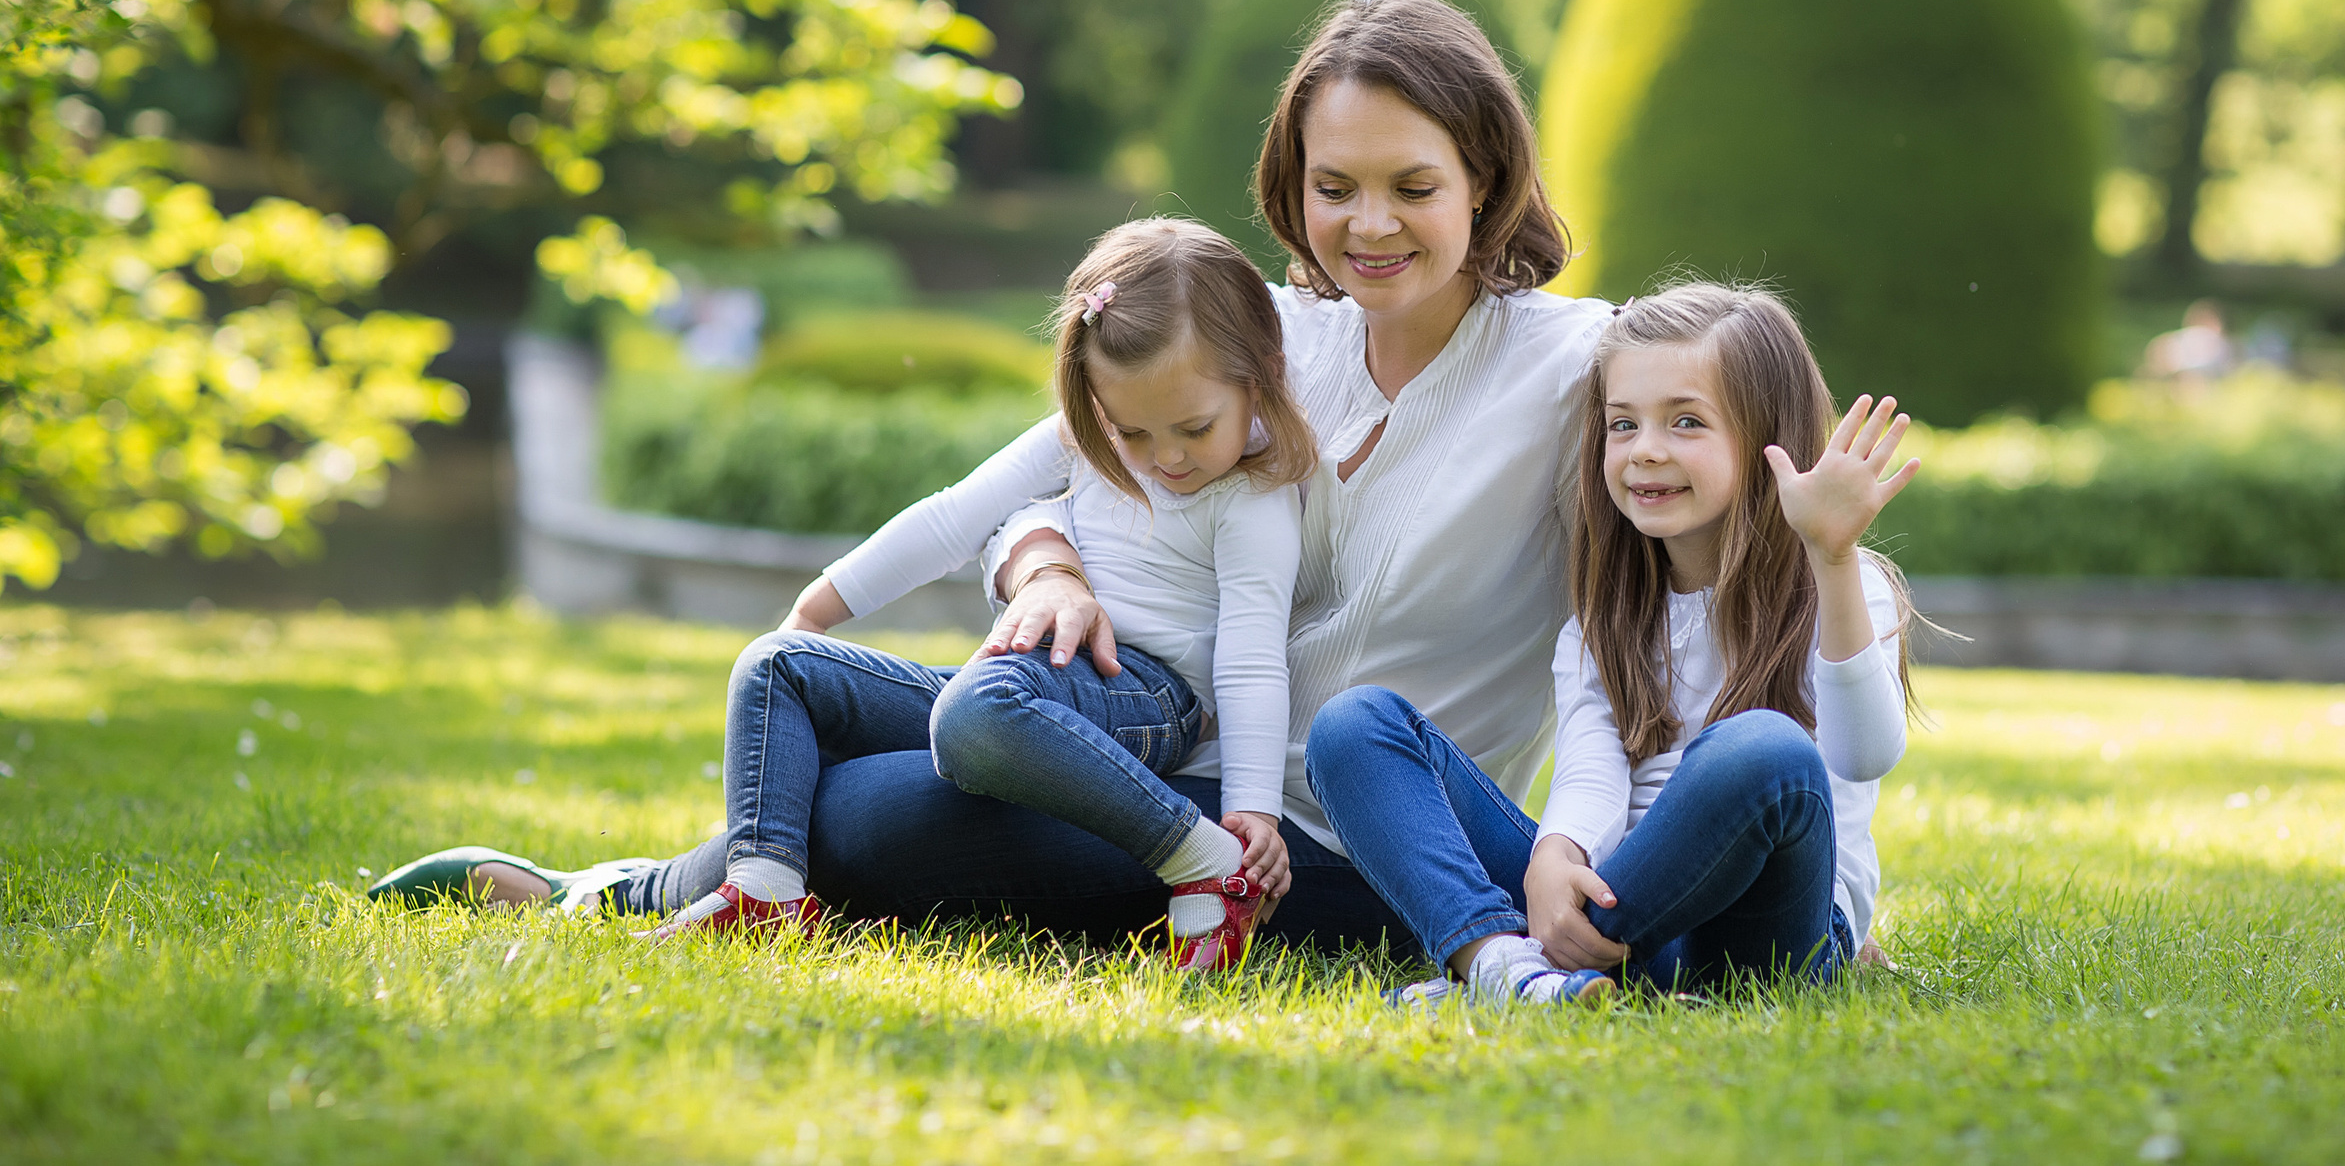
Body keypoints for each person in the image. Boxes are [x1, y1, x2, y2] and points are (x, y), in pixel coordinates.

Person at [377, 219, 1316, 973]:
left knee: (976, 712)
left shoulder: (1252, 498)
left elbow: (1248, 654)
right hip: (1035, 683)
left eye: (1192, 425)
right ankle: (764, 893)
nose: (1165, 458)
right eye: (1133, 429)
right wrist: (821, 608)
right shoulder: (1088, 440)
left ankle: (1202, 862)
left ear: (1256, 373)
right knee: (778, 665)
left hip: (1143, 702)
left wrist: (1251, 813)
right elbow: (953, 517)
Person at [1310, 282, 1921, 1004]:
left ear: (1769, 441)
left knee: (1766, 750)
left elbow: (1864, 754)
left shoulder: (1843, 586)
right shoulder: (1607, 616)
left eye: (1686, 422)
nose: (1645, 451)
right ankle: (1503, 966)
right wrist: (1555, 855)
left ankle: (1548, 968)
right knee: (1355, 725)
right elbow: (1593, 771)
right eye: (1623, 424)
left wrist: (1834, 557)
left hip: (1764, 939)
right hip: (1625, 920)